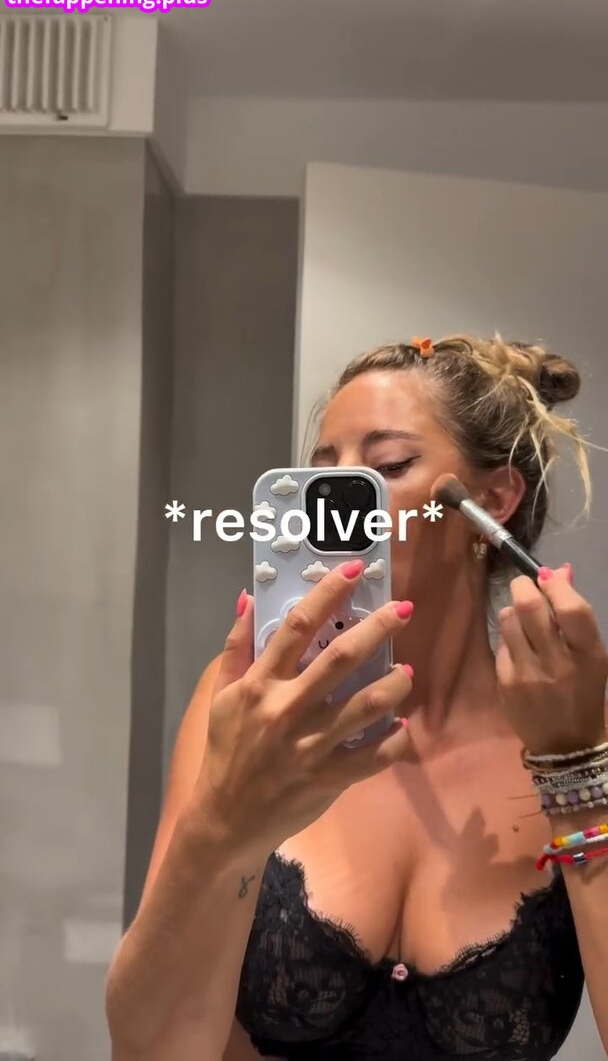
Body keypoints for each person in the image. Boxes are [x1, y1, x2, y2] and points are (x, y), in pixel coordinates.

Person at [105, 334, 608, 1061]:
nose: (334, 501)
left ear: (492, 501)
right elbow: (148, 1048)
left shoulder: (576, 730)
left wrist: (576, 774)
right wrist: (223, 826)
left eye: (388, 467)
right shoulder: (255, 706)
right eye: (322, 472)